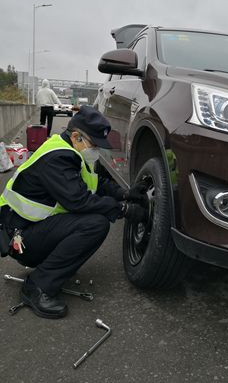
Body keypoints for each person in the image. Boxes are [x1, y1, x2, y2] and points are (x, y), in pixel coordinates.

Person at [0, 106, 148, 319]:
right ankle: (37, 287)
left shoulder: (72, 152)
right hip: (20, 240)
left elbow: (96, 184)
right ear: (77, 136)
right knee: (95, 224)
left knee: (92, 220)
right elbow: (79, 201)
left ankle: (54, 265)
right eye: (94, 144)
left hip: (31, 230)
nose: (96, 150)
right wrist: (122, 210)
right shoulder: (58, 158)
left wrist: (125, 194)